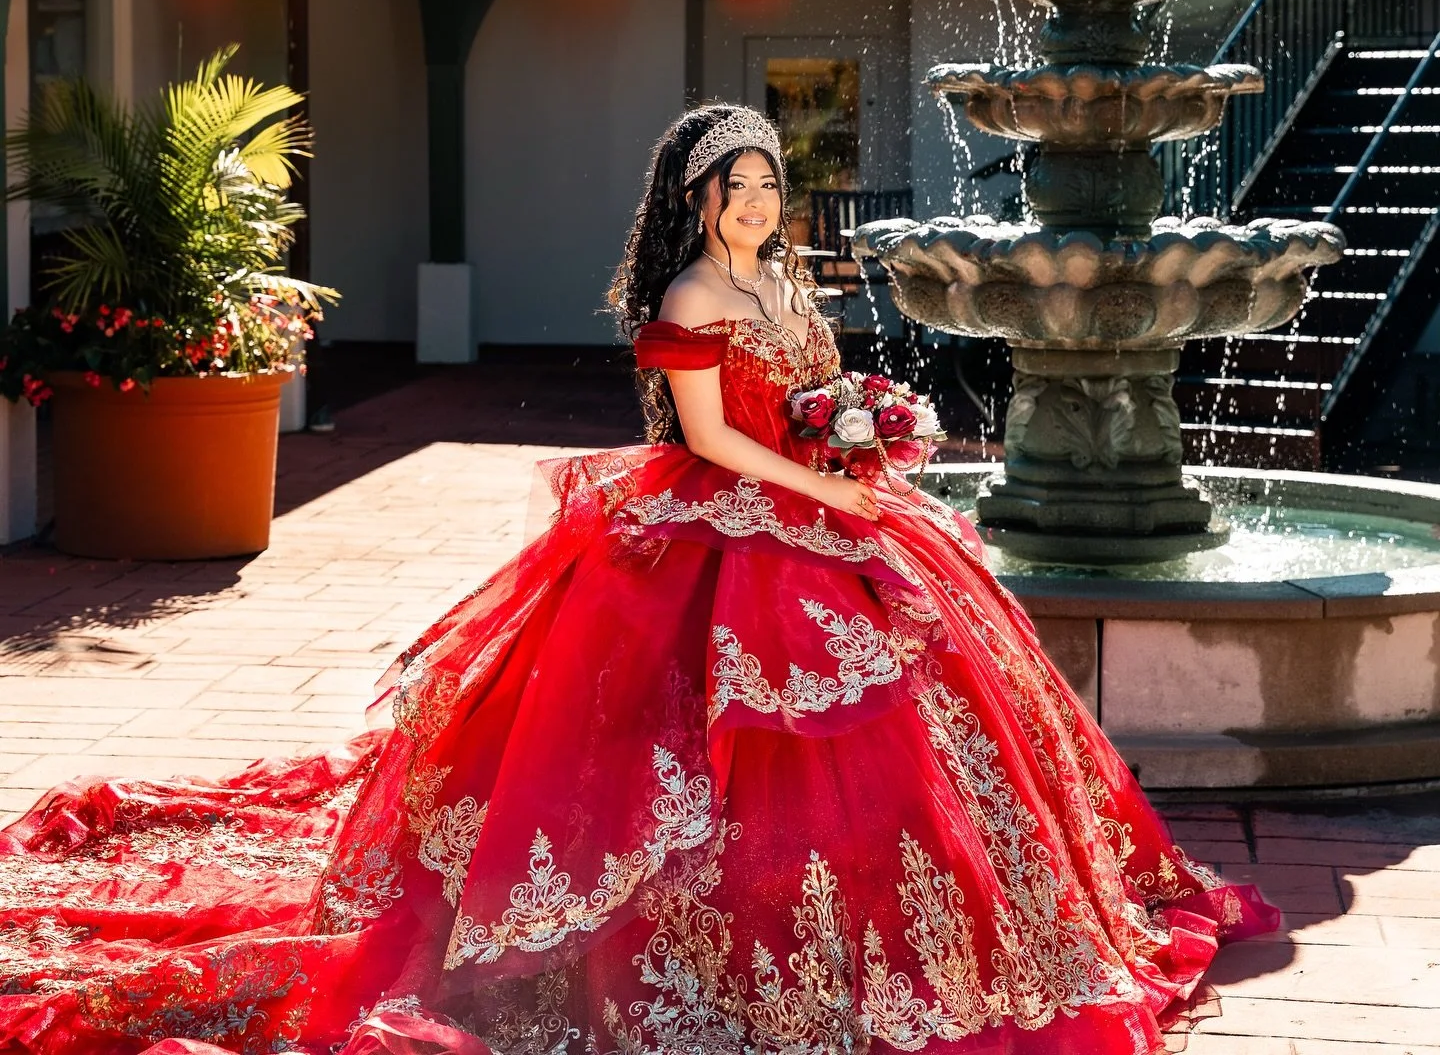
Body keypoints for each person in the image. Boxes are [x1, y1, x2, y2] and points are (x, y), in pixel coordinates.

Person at [0, 103, 1277, 1055]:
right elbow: (711, 436)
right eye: (738, 187)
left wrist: (859, 421)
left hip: (821, 500)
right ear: (698, 197)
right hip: (724, 520)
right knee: (701, 745)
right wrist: (833, 484)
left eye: (772, 184)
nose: (760, 203)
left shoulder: (777, 277)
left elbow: (805, 390)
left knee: (937, 716)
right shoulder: (687, 291)